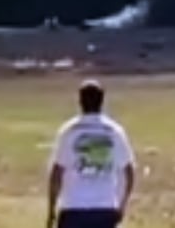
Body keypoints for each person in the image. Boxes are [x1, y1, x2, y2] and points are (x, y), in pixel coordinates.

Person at [47, 80, 136, 228]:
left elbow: (57, 173)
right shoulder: (114, 131)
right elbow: (129, 171)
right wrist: (122, 205)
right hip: (105, 208)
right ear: (102, 101)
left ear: (80, 101)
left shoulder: (69, 132)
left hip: (73, 208)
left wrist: (51, 209)